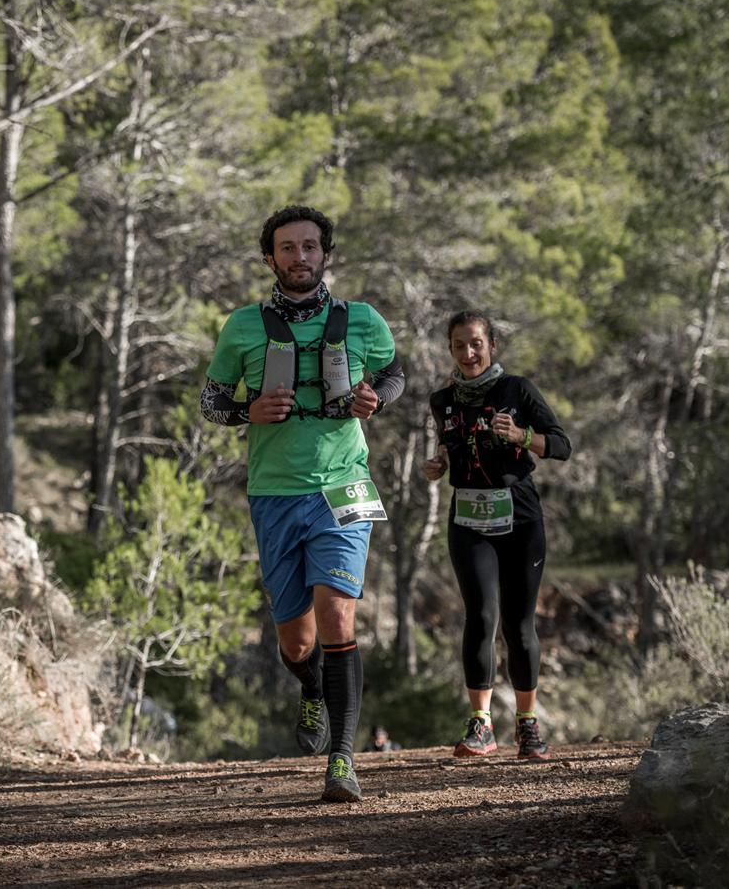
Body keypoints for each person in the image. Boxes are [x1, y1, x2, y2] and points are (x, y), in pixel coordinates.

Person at [200, 205, 404, 802]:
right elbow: (212, 403)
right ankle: (312, 690)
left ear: (326, 254)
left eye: (310, 247)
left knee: (338, 614)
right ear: (271, 258)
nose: (300, 257)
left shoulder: (362, 321)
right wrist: (248, 411)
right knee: (295, 639)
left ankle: (342, 760)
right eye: (287, 248)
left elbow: (394, 374)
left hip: (345, 482)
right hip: (274, 492)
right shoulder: (242, 327)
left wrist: (376, 399)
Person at [421, 310, 570, 761]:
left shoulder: (518, 390)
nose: (469, 353)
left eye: (476, 344)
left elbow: (561, 445)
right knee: (481, 617)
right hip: (468, 519)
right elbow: (451, 444)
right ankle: (481, 724)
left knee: (519, 624)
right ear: (450, 350)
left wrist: (525, 436)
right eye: (459, 345)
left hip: (520, 518)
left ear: (492, 345)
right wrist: (439, 464)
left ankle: (528, 727)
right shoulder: (441, 401)